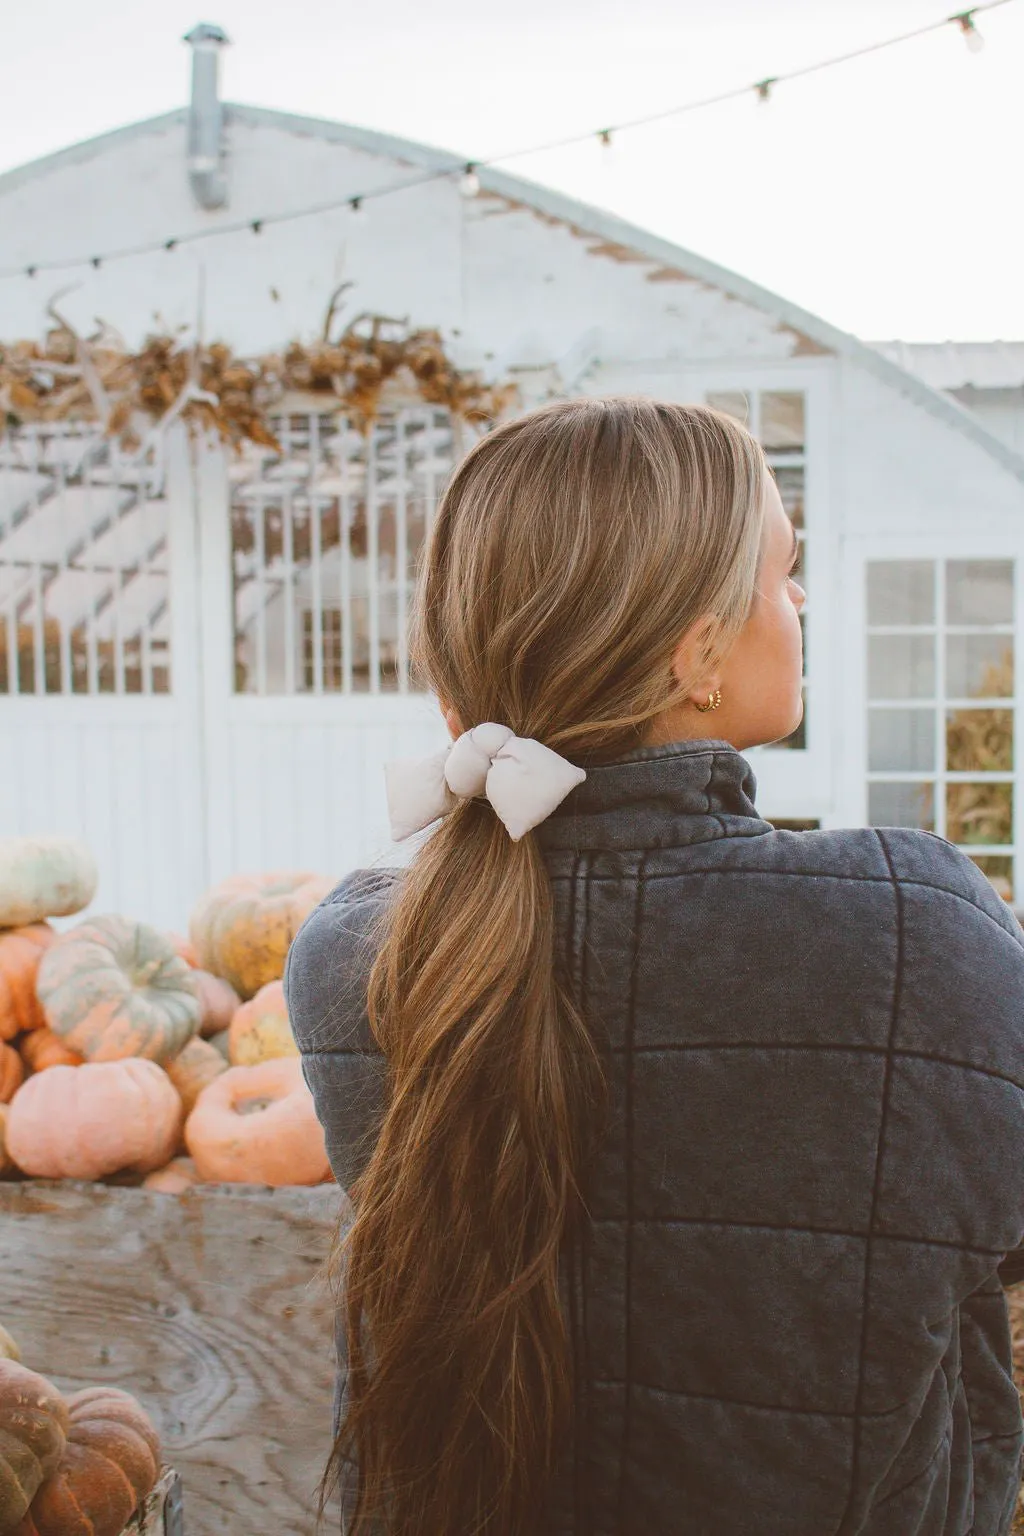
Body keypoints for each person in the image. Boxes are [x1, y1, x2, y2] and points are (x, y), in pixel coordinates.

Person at [283, 397, 1024, 1536]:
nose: (804, 600)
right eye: (786, 570)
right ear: (698, 651)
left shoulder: (356, 949)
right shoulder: (915, 926)